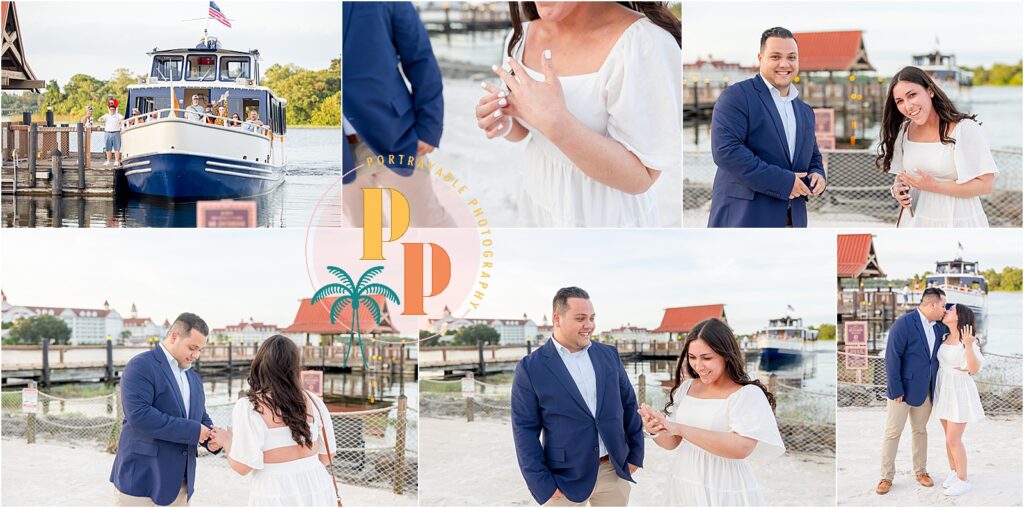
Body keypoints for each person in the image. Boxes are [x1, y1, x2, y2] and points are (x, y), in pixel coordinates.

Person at [474, 1, 680, 227]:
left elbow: (642, 178)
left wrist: (558, 124)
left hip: (606, 219)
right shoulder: (521, 36)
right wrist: (505, 122)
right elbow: (524, 132)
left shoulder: (645, 44)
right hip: (538, 197)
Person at [511, 287, 644, 506]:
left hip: (613, 471)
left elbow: (629, 405)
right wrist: (542, 483)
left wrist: (636, 454)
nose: (589, 325)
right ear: (557, 318)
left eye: (592, 318)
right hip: (563, 478)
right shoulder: (529, 368)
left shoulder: (608, 355)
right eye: (580, 318)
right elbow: (524, 430)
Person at [639, 318, 784, 505]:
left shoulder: (746, 394)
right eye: (692, 357)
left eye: (707, 358)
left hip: (725, 483)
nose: (698, 366)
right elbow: (672, 443)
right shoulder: (687, 387)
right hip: (684, 477)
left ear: (726, 355)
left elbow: (741, 448)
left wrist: (680, 428)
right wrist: (656, 429)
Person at [341, 1, 455, 228]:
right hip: (339, 151)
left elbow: (420, 58)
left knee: (428, 222)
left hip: (394, 131)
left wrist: (429, 127)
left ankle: (465, 262)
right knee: (366, 233)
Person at [708, 27, 826, 228]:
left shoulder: (805, 110)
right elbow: (726, 152)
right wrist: (784, 181)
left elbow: (813, 155)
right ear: (760, 58)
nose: (784, 64)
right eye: (775, 57)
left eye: (791, 57)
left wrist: (818, 174)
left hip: (793, 220)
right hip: (745, 218)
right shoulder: (736, 97)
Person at [209, 335, 339, 506]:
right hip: (317, 488)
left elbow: (242, 467)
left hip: (276, 492)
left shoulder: (250, 407)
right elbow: (326, 457)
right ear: (295, 367)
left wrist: (226, 440)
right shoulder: (314, 401)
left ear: (260, 364)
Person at [110, 313, 223, 506]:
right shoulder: (140, 366)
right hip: (140, 480)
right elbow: (140, 415)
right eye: (192, 348)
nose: (196, 355)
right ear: (174, 337)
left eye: (200, 350)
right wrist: (195, 431)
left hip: (180, 484)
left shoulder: (194, 378)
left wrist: (210, 440)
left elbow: (199, 416)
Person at [876, 66, 999, 228]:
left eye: (912, 95)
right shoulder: (903, 131)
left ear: (930, 91)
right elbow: (903, 174)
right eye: (899, 101)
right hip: (915, 221)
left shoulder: (964, 128)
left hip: (958, 220)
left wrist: (934, 186)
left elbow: (986, 185)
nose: (908, 106)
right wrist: (897, 188)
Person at [876, 287, 948, 495]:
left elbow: (954, 314)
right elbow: (892, 357)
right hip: (901, 391)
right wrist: (895, 388)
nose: (945, 309)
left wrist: (948, 307)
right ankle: (886, 477)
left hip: (925, 390)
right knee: (892, 432)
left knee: (920, 431)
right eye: (942, 305)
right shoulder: (904, 324)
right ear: (932, 305)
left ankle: (921, 471)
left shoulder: (939, 327)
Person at [933, 303, 985, 496]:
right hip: (944, 389)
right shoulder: (944, 336)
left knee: (954, 439)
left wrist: (970, 346)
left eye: (951, 309)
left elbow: (974, 368)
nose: (946, 310)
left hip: (959, 391)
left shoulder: (967, 341)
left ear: (959, 316)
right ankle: (954, 472)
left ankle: (964, 480)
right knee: (948, 439)